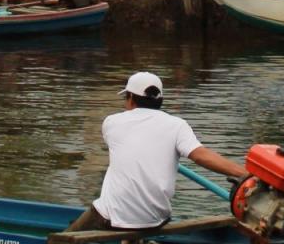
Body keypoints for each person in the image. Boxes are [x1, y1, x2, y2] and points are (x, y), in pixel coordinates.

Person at [66, 72, 250, 234]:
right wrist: (246, 174)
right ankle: (134, 243)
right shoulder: (177, 125)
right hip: (156, 220)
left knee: (65, 238)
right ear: (159, 100)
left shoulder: (111, 123)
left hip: (112, 217)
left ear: (130, 98)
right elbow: (201, 156)